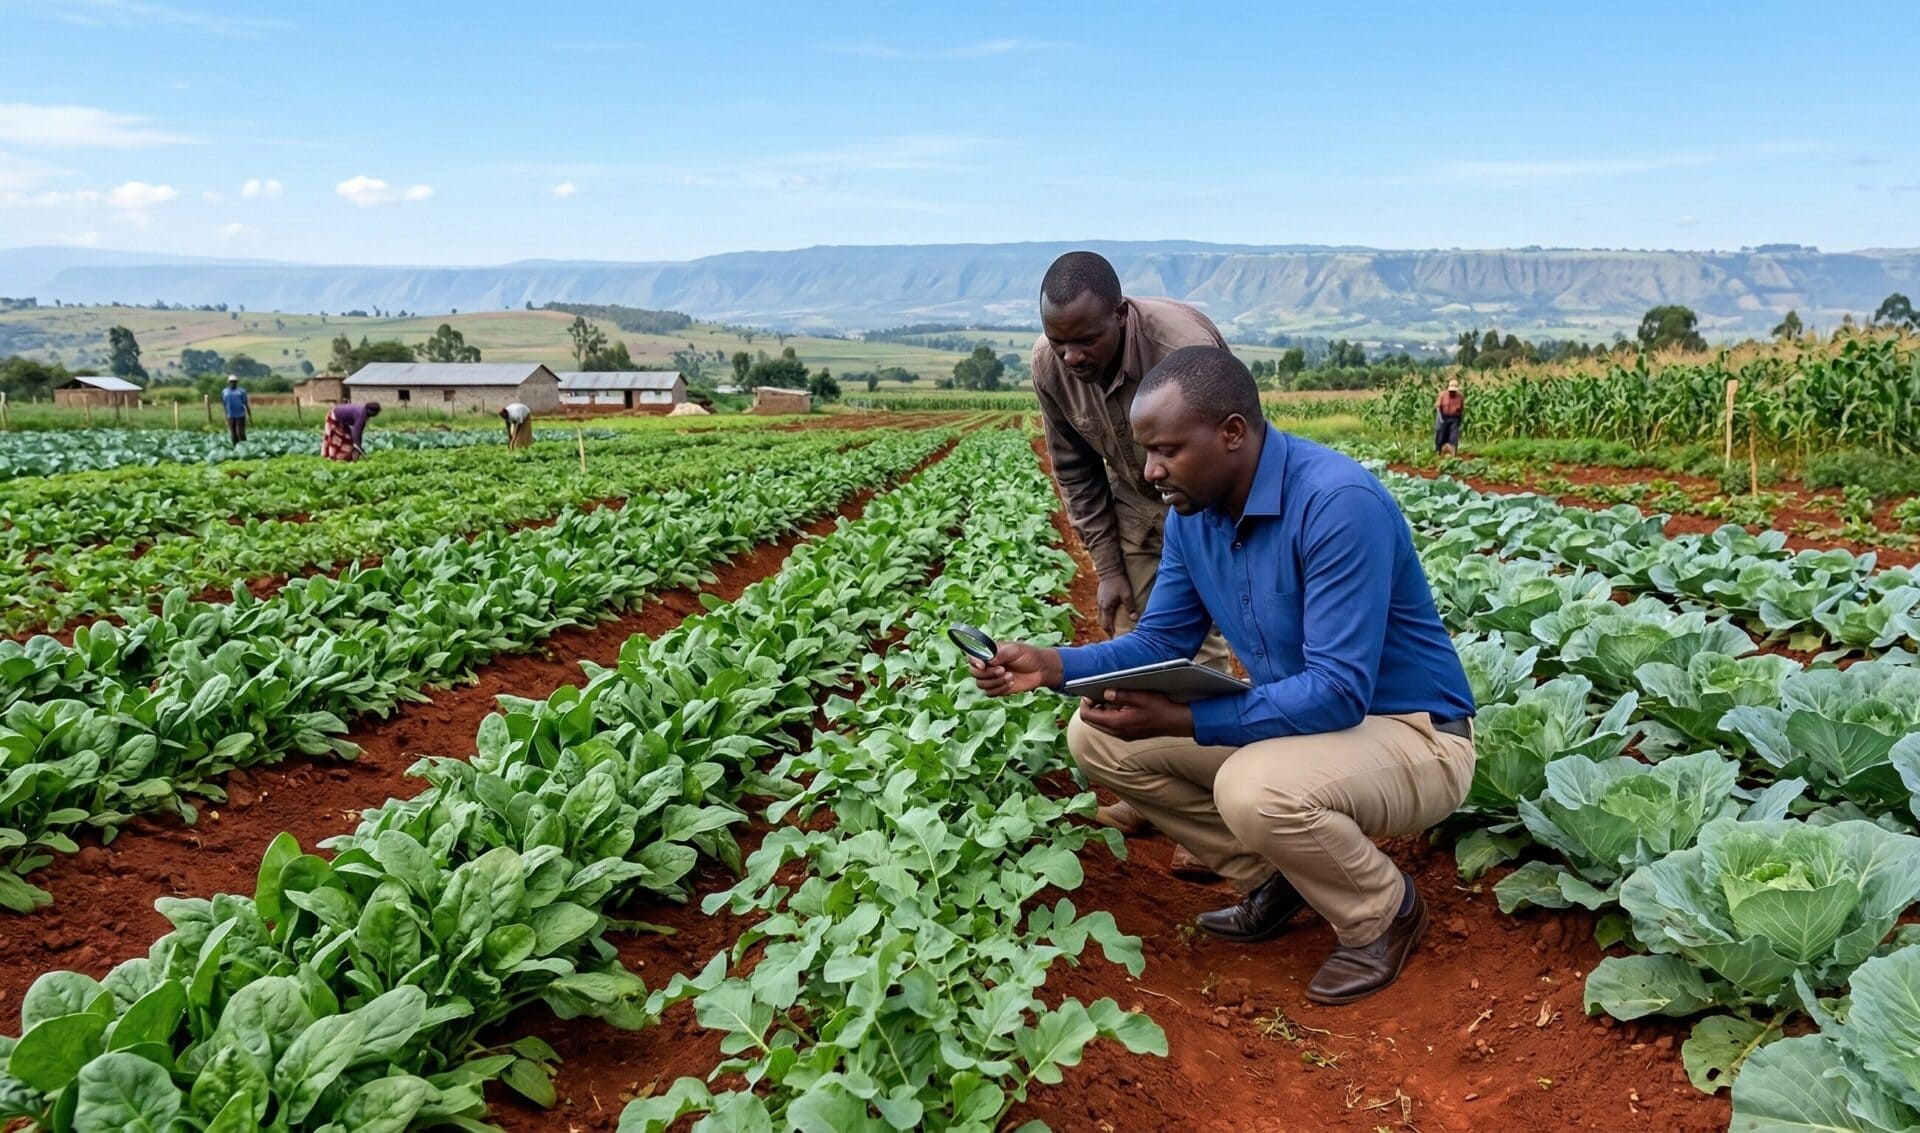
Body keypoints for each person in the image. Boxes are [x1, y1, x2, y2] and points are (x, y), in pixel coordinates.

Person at [970, 346, 1476, 1005]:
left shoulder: (1336, 504)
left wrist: (1186, 718)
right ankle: (1280, 876)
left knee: (1250, 785)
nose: (1150, 471)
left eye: (1167, 450)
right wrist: (1053, 665)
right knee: (1096, 738)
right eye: (1145, 450)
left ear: (1232, 433)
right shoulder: (1193, 514)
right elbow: (1160, 640)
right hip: (1310, 725)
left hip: (1413, 734)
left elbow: (1339, 692)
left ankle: (1383, 912)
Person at [1033, 249, 1233, 870]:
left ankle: (1214, 812)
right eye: (1058, 342)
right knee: (1129, 645)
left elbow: (1230, 454)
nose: (1073, 358)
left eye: (1086, 340)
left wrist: (1208, 553)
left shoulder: (1180, 350)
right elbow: (1073, 469)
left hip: (1203, 503)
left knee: (1196, 655)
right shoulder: (1051, 366)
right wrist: (1109, 567)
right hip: (1132, 505)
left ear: (1120, 315)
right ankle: (1151, 796)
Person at [1434, 378, 1465, 455]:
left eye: (1454, 391)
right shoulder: (1443, 395)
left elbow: (1462, 408)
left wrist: (1459, 419)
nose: (1452, 392)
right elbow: (1438, 407)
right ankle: (1439, 452)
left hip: (1454, 418)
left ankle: (1453, 453)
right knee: (1441, 435)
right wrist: (1440, 418)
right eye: (1451, 391)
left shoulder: (1460, 396)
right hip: (1444, 417)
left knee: (1453, 436)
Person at [221, 376, 250, 445]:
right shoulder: (225, 391)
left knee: (240, 432)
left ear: (237, 382)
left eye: (234, 381)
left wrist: (249, 413)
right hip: (230, 415)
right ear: (229, 382)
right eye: (231, 381)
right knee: (233, 433)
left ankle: (244, 446)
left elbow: (245, 403)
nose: (233, 383)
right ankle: (235, 447)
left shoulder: (241, 391)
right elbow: (224, 404)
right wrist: (225, 414)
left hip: (240, 414)